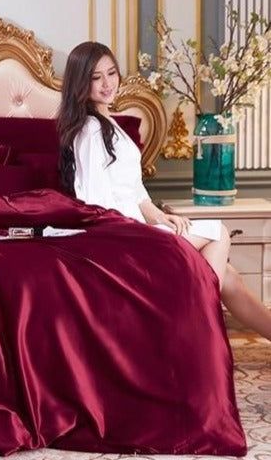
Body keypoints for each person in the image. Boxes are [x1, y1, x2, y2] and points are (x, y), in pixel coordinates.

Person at [57, 41, 271, 341]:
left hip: (137, 227)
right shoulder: (91, 131)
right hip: (122, 239)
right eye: (96, 77)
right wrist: (143, 231)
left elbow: (134, 188)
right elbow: (97, 203)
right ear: (81, 82)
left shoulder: (108, 123)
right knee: (218, 232)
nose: (107, 84)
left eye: (112, 73)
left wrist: (159, 216)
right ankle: (197, 329)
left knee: (230, 279)